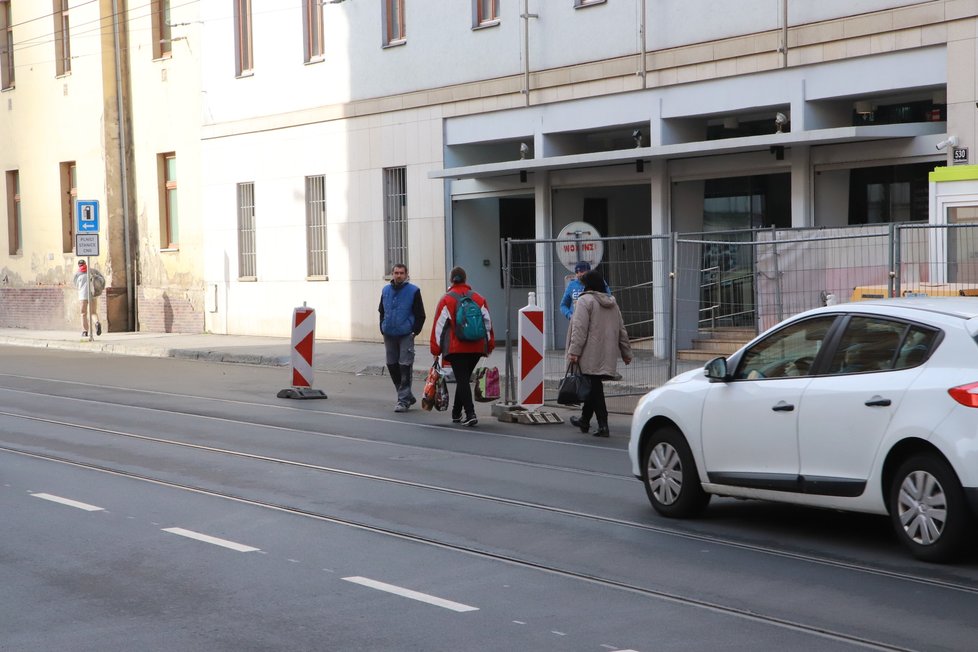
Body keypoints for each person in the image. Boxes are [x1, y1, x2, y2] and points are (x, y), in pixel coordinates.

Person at [566, 270, 632, 437]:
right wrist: (626, 352)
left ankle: (603, 425)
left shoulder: (584, 301)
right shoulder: (612, 303)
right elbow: (621, 329)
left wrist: (574, 351)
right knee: (593, 385)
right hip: (607, 353)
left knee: (595, 388)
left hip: (589, 353)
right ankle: (584, 420)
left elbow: (579, 329)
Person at [430, 266, 494, 427]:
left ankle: (470, 413)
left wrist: (435, 350)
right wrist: (489, 345)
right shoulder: (479, 298)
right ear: (465, 279)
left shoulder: (446, 299)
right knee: (463, 378)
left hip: (456, 347)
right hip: (477, 347)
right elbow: (487, 323)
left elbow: (439, 327)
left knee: (462, 379)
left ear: (451, 280)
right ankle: (456, 412)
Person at [378, 263, 426, 412]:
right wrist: (382, 327)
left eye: (401, 273)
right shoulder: (385, 290)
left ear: (406, 275)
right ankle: (406, 394)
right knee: (392, 365)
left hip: (406, 333)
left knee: (404, 365)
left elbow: (421, 314)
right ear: (392, 274)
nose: (398, 275)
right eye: (396, 273)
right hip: (389, 333)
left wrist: (414, 332)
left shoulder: (413, 291)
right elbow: (381, 310)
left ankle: (403, 401)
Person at [73, 260, 102, 338]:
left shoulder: (77, 274)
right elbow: (101, 280)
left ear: (79, 265)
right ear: (85, 264)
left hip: (82, 296)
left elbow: (75, 285)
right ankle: (97, 323)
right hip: (92, 295)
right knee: (93, 312)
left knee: (83, 314)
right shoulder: (93, 271)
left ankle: (85, 331)